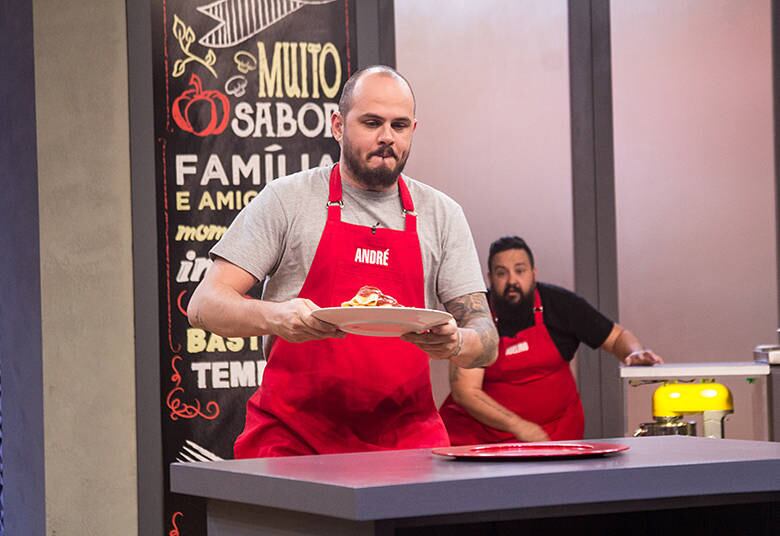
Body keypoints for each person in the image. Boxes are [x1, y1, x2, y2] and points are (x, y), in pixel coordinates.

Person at [187, 65, 498, 458]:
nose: (387, 137)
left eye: (399, 126)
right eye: (372, 122)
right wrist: (277, 317)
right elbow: (203, 305)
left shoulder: (441, 214)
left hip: (407, 444)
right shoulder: (289, 200)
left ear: (413, 131)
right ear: (337, 125)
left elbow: (486, 339)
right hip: (294, 441)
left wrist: (457, 341)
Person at [439, 236, 663, 444]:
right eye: (501, 273)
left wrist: (633, 352)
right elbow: (466, 391)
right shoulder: (478, 315)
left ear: (534, 273)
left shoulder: (560, 304)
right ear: (489, 278)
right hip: (480, 440)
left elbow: (616, 337)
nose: (512, 281)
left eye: (520, 271)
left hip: (554, 435)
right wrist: (518, 426)